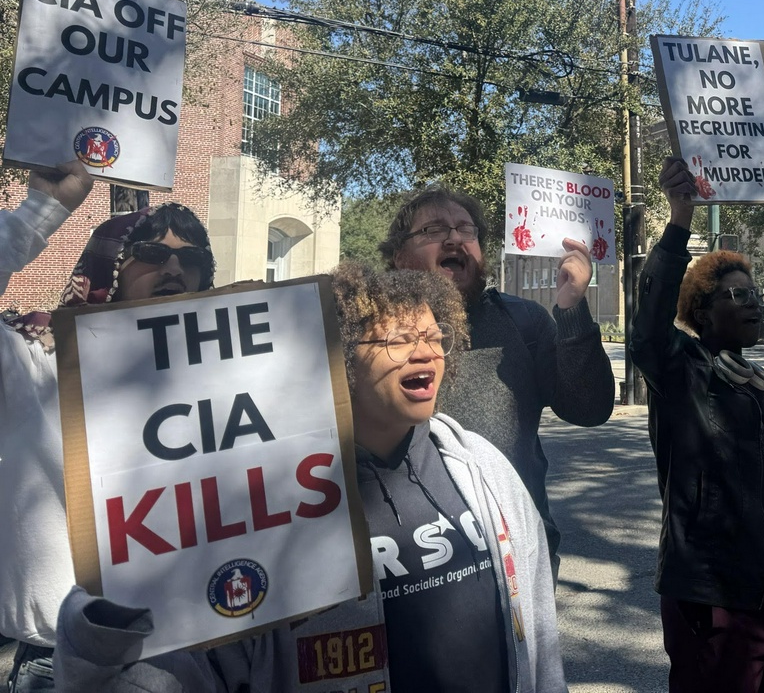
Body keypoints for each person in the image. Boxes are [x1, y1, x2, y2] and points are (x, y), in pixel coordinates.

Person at [55, 261, 566, 693]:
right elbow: (187, 667)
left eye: (435, 337)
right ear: (339, 358)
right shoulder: (274, 500)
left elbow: (539, 633)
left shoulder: (481, 467)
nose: (426, 352)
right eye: (398, 339)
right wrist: (108, 624)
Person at [0, 161, 216, 693]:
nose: (173, 267)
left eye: (191, 258)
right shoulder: (34, 362)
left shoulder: (226, 378)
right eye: (151, 253)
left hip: (195, 655)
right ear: (109, 268)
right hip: (57, 666)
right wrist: (40, 210)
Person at [632, 157, 764, 693]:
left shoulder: (750, 382)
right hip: (710, 593)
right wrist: (680, 218)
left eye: (754, 294)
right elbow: (650, 326)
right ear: (702, 313)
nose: (753, 302)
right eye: (736, 294)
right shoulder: (680, 367)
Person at [380, 186, 615, 575]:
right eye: (434, 230)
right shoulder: (369, 334)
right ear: (398, 255)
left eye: (465, 230)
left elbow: (589, 409)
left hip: (520, 560)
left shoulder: (524, 323)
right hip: (407, 566)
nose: (455, 238)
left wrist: (573, 308)